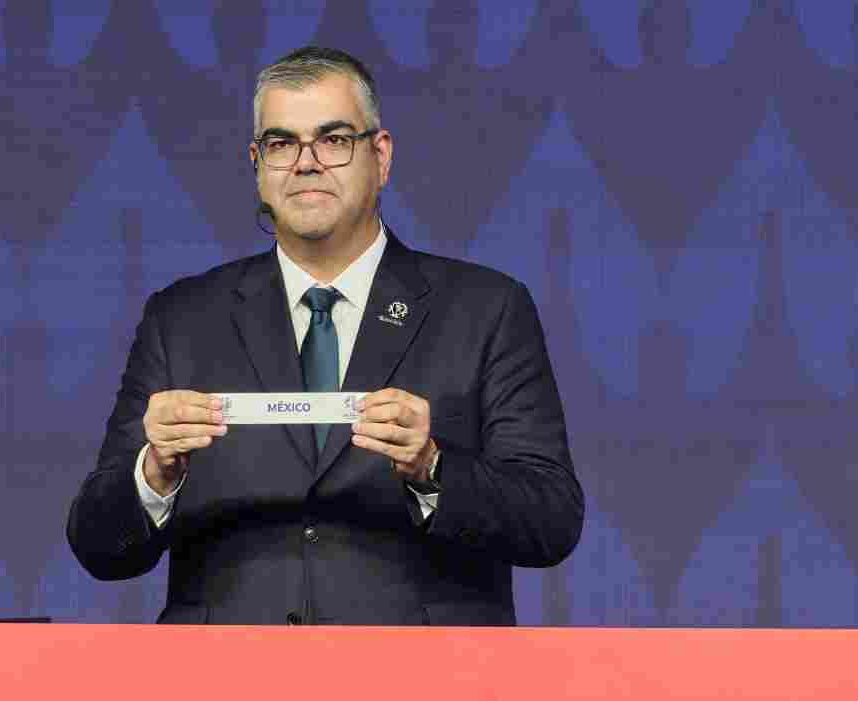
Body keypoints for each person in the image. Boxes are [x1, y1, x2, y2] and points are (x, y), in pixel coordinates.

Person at [67, 46, 583, 625]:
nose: (306, 163)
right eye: (281, 143)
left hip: (424, 668)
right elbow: (98, 547)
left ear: (380, 156)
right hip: (225, 668)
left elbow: (551, 520)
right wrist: (153, 476)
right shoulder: (180, 319)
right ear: (257, 165)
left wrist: (433, 467)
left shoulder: (487, 308)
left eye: (334, 140)